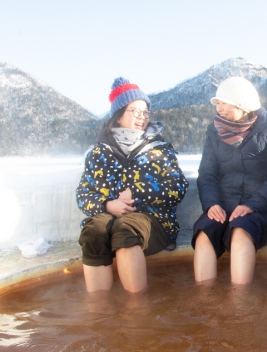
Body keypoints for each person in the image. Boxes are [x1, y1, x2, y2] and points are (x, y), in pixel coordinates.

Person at [75, 77, 187, 293]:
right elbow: (83, 194)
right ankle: (99, 311)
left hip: (153, 220)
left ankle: (136, 311)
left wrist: (136, 193)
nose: (142, 118)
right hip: (109, 216)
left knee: (125, 228)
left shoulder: (160, 150)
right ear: (118, 116)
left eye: (145, 112)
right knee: (93, 231)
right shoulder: (98, 154)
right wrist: (108, 205)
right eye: (135, 111)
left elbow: (178, 186)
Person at [192, 77, 267, 285]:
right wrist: (212, 204)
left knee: (240, 232)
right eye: (217, 103)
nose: (218, 108)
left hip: (262, 209)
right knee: (204, 234)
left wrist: (252, 205)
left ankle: (240, 306)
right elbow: (207, 174)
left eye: (223, 102)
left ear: (241, 103)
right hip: (223, 206)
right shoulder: (213, 132)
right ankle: (205, 302)